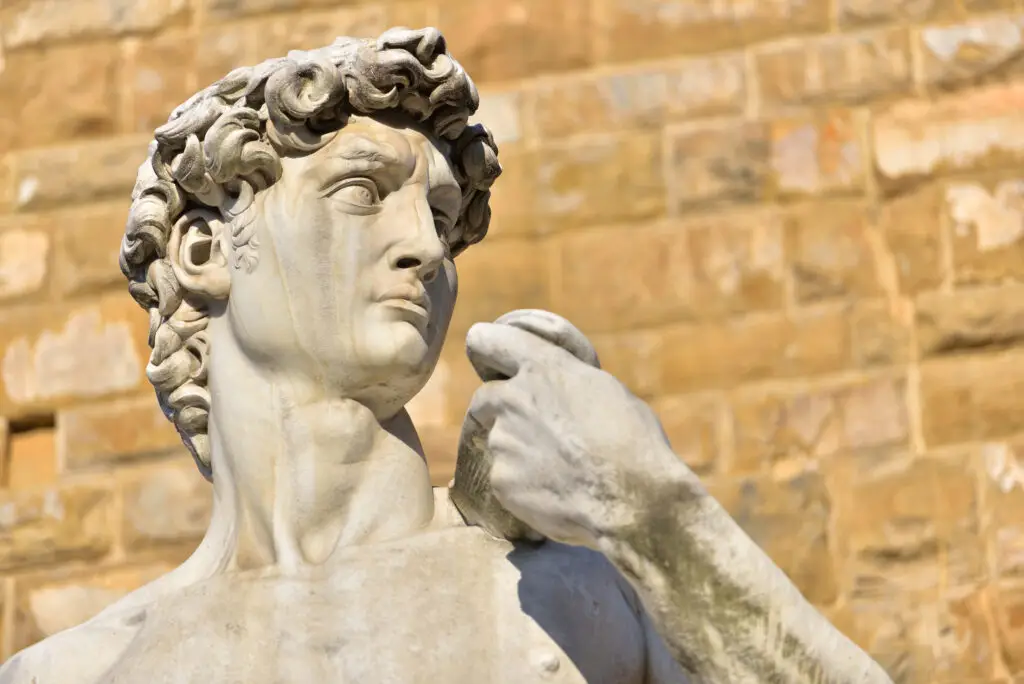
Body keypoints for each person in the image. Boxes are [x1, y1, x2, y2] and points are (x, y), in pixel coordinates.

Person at [0, 28, 893, 684]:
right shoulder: (81, 672)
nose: (426, 248)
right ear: (201, 254)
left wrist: (648, 506)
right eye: (362, 193)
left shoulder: (564, 598)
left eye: (437, 217)